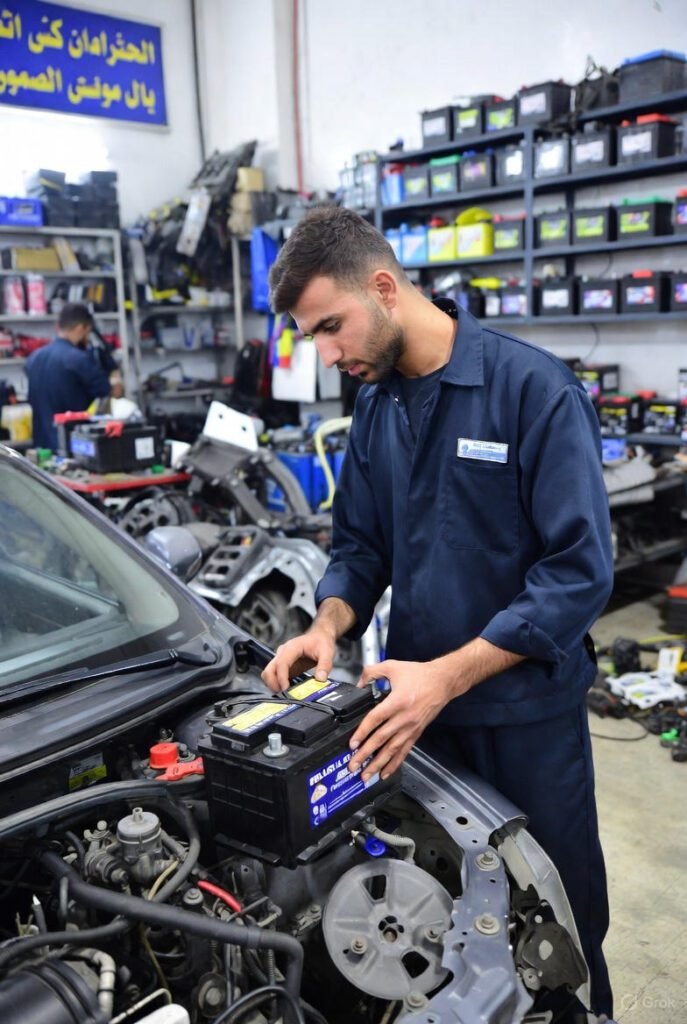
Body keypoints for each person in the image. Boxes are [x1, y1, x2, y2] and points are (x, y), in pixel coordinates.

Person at [262, 207, 615, 1019]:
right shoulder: (378, 408)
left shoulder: (533, 391)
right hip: (414, 716)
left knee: (554, 932)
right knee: (444, 923)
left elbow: (577, 573)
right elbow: (359, 545)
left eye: (329, 326)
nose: (325, 354)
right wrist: (326, 624)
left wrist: (446, 678)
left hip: (522, 718)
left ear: (383, 288)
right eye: (309, 336)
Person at [26, 303, 116, 449]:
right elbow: (109, 391)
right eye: (88, 333)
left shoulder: (33, 358)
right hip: (73, 446)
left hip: (42, 448)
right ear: (81, 328)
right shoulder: (80, 359)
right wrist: (114, 374)